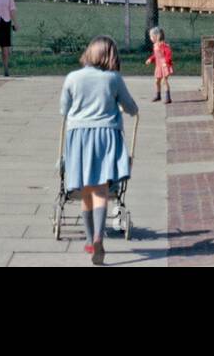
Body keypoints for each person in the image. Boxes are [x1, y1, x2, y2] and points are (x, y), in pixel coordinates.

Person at [60, 37, 138, 265]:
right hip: (106, 136)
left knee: (86, 189)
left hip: (79, 136)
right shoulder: (113, 78)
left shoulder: (73, 77)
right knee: (102, 190)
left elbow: (63, 109)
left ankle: (88, 237)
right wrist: (132, 110)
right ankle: (98, 237)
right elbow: (129, 105)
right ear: (110, 55)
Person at [144, 26, 173, 104]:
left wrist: (166, 62)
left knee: (164, 81)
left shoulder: (163, 45)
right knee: (157, 81)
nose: (150, 38)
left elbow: (168, 54)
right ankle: (158, 95)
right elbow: (156, 55)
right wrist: (150, 59)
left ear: (156, 36)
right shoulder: (155, 45)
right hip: (158, 66)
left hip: (164, 66)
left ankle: (168, 97)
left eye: (151, 36)